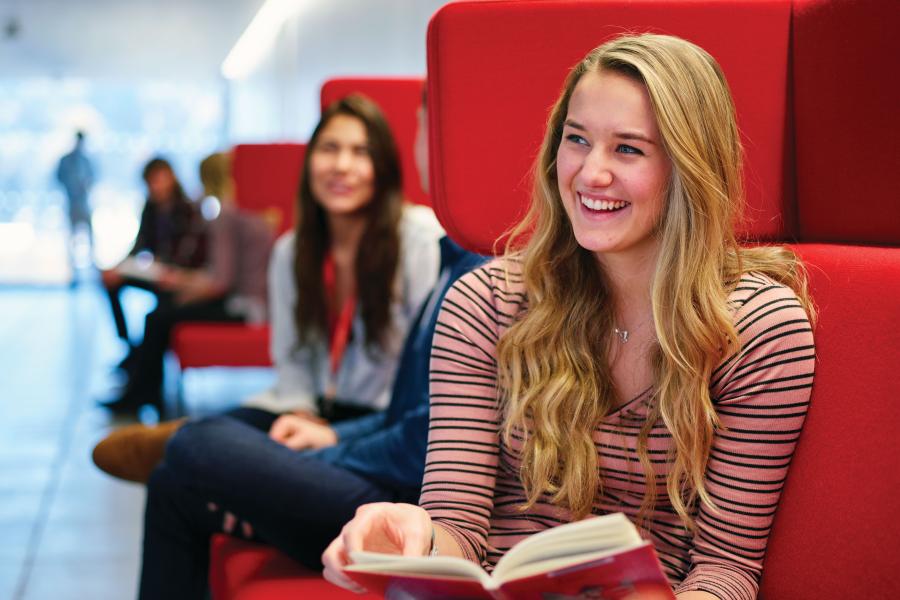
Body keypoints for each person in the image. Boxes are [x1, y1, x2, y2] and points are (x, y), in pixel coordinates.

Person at [323, 34, 817, 600]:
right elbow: (458, 528)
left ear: (689, 166)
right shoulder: (483, 303)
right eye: (576, 140)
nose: (590, 174)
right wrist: (415, 540)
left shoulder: (758, 327)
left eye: (628, 149)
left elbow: (726, 570)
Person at [91, 93, 477, 599]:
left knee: (199, 445)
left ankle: (215, 444)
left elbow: (415, 429)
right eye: (329, 149)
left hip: (384, 460)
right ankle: (224, 446)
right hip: (343, 420)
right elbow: (297, 367)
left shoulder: (432, 246)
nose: (342, 165)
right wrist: (308, 425)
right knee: (176, 478)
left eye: (360, 152)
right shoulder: (295, 250)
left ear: (385, 165)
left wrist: (326, 448)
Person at [100, 152, 276, 414]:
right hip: (249, 301)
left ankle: (142, 393)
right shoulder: (239, 211)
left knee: (159, 315)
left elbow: (220, 283)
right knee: (161, 310)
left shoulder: (223, 215)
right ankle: (145, 389)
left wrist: (184, 288)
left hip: (244, 307)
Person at [100, 157, 207, 384]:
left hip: (180, 276)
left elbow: (191, 253)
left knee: (158, 316)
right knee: (110, 280)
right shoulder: (150, 208)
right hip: (156, 271)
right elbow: (139, 245)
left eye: (160, 180)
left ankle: (142, 368)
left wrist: (174, 274)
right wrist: (118, 268)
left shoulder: (187, 209)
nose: (157, 186)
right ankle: (129, 345)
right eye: (152, 182)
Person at [56, 130, 96, 281]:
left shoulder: (86, 160)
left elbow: (93, 177)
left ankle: (92, 270)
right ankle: (73, 272)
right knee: (72, 239)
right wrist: (71, 187)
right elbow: (59, 177)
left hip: (84, 203)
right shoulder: (66, 160)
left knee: (90, 238)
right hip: (72, 203)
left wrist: (85, 186)